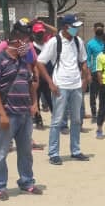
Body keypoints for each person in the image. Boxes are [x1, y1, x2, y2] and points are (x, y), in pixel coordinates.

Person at [0, 21, 42, 201]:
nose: (29, 45)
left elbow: (31, 84)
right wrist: (2, 114)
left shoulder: (23, 61)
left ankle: (27, 182)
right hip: (8, 113)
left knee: (25, 150)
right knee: (1, 151)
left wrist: (34, 104)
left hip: (25, 113)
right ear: (17, 40)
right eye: (26, 40)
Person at [39, 14, 92, 165]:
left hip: (76, 85)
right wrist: (50, 83)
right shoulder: (54, 42)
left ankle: (75, 150)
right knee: (57, 121)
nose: (77, 29)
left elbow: (83, 60)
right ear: (66, 27)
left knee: (76, 120)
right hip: (60, 85)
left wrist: (85, 77)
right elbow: (40, 62)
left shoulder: (78, 41)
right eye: (74, 26)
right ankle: (54, 153)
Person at [86, 21, 105, 121]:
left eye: (101, 29)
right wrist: (88, 74)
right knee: (93, 95)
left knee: (104, 94)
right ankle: (94, 114)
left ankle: (101, 113)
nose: (99, 30)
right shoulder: (90, 44)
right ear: (94, 30)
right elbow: (88, 59)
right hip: (94, 71)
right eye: (97, 29)